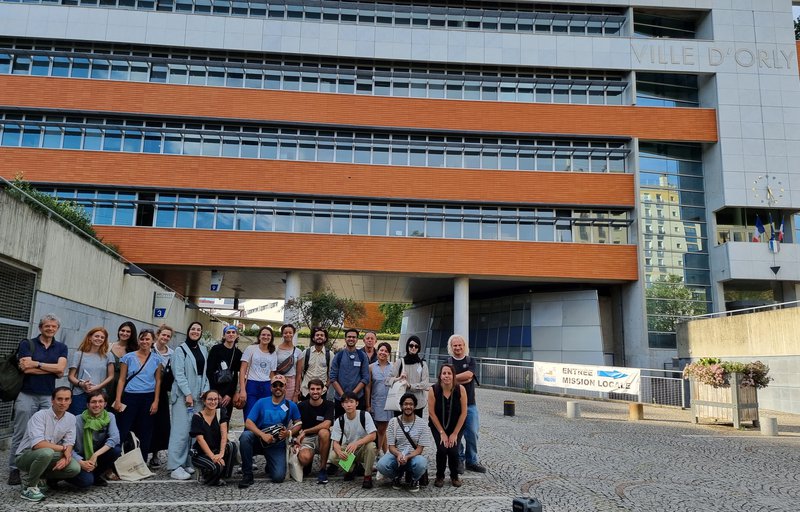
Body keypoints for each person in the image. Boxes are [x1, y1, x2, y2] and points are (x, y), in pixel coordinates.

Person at [7, 314, 69, 486]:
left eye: (53, 326)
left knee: (47, 435)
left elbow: (61, 370)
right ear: (41, 328)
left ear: (57, 328)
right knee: (20, 432)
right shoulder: (27, 344)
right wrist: (52, 369)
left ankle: (42, 469)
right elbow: (25, 369)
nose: (50, 329)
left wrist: (38, 364)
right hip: (26, 394)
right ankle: (14, 468)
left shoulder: (61, 347)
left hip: (48, 397)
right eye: (47, 326)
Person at [14, 387, 82, 502]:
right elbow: (38, 444)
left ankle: (40, 477)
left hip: (48, 455)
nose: (63, 402)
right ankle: (29, 487)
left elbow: (69, 442)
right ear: (52, 400)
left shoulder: (71, 418)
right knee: (46, 452)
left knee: (74, 468)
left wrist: (67, 456)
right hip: (25, 456)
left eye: (66, 399)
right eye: (59, 399)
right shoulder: (40, 416)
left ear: (70, 401)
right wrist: (64, 448)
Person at [237, 374, 301, 488]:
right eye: (275, 385)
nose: (278, 388)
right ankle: (247, 474)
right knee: (245, 436)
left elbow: (299, 423)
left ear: (285, 387)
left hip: (276, 444)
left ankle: (270, 464)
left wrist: (288, 433)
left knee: (278, 477)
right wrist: (262, 435)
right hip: (260, 440)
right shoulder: (261, 402)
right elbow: (249, 422)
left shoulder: (291, 405)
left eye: (281, 385)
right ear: (270, 387)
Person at [113, 329, 162, 468]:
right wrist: (118, 399)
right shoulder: (128, 357)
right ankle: (116, 461)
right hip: (130, 396)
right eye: (142, 339)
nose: (144, 342)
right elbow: (122, 380)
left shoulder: (157, 359)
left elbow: (158, 380)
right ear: (138, 340)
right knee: (123, 428)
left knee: (145, 431)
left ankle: (142, 462)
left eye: (148, 339)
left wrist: (156, 400)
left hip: (148, 397)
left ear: (152, 341)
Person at [167, 321, 210, 480]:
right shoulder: (180, 350)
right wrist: (187, 393)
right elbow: (178, 374)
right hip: (183, 396)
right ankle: (175, 466)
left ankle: (187, 462)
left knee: (194, 431)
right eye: (193, 329)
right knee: (180, 431)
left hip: (199, 394)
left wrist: (205, 389)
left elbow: (205, 373)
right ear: (188, 331)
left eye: (199, 329)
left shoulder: (203, 350)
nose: (196, 331)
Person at [376, 392, 432, 492]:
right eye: (405, 404)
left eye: (411, 404)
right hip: (396, 455)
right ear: (401, 406)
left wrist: (407, 457)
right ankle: (397, 476)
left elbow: (419, 449)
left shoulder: (422, 424)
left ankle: (415, 479)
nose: (408, 407)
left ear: (414, 407)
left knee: (422, 463)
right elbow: (391, 446)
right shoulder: (393, 422)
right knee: (381, 465)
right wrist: (398, 455)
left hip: (413, 455)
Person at [447, 334, 485, 474]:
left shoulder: (470, 360)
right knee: (456, 434)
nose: (457, 347)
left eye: (459, 345)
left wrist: (453, 379)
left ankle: (472, 461)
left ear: (464, 346)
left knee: (473, 433)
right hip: (453, 406)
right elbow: (445, 380)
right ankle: (459, 460)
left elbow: (469, 376)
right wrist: (457, 379)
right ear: (451, 347)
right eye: (454, 345)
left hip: (470, 404)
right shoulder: (448, 362)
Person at [70, 390, 121, 487]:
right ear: (88, 404)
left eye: (100, 401)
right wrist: (80, 461)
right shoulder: (76, 420)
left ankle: (95, 475)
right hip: (79, 457)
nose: (97, 405)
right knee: (86, 482)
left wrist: (95, 455)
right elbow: (67, 446)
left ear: (105, 404)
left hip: (96, 455)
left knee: (116, 450)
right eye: (93, 402)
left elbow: (115, 438)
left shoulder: (110, 417)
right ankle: (60, 477)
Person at [427, 364, 467, 487]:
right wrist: (442, 433)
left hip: (456, 426)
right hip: (438, 426)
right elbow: (432, 413)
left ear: (453, 376)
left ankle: (454, 475)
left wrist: (455, 433)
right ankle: (440, 475)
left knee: (454, 449)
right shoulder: (433, 390)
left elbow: (464, 413)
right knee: (442, 448)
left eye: (449, 373)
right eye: (444, 373)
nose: (446, 376)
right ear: (440, 375)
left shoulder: (461, 390)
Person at [329, 391, 377, 489]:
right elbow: (335, 442)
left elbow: (373, 436)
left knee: (371, 446)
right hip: (349, 449)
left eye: (351, 401)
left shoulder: (364, 415)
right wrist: (339, 451)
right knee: (333, 456)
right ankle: (353, 468)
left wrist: (357, 443)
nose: (349, 405)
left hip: (362, 447)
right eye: (346, 402)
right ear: (342, 405)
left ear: (357, 403)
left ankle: (367, 476)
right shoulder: (340, 420)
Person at [190, 390, 235, 486]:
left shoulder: (221, 413)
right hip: (201, 453)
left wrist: (221, 454)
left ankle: (222, 475)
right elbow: (200, 440)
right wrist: (213, 457)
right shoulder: (197, 417)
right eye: (210, 399)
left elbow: (224, 435)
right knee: (216, 467)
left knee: (232, 446)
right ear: (204, 401)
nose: (213, 402)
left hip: (216, 451)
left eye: (215, 399)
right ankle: (208, 475)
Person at [67, 327, 115, 416]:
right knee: (78, 421)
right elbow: (71, 376)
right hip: (79, 394)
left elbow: (111, 376)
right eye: (96, 336)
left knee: (96, 423)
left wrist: (98, 387)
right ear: (90, 337)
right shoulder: (78, 354)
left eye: (102, 337)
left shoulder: (108, 355)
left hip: (99, 395)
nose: (99, 339)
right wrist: (82, 384)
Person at [294, 378, 334, 484]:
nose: (315, 391)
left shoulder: (329, 404)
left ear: (323, 390)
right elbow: (296, 424)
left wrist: (306, 431)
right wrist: (295, 440)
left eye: (318, 389)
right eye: (312, 389)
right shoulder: (301, 405)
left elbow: (327, 424)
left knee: (324, 432)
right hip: (306, 440)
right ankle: (308, 461)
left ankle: (322, 469)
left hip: (321, 439)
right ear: (308, 390)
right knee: (304, 459)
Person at [238, 325, 277, 421]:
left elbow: (272, 374)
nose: (265, 337)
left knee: (264, 415)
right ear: (259, 336)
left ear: (271, 338)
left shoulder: (273, 352)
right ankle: (248, 435)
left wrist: (274, 389)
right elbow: (242, 369)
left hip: (266, 385)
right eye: (263, 334)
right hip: (252, 384)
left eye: (268, 335)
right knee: (249, 415)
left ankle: (261, 435)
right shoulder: (251, 349)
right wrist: (242, 390)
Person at [148, 324, 174, 469]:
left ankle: (155, 454)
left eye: (168, 336)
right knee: (145, 422)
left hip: (162, 391)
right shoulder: (150, 349)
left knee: (160, 424)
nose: (165, 338)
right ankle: (140, 453)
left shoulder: (172, 353)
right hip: (147, 389)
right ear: (158, 335)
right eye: (163, 335)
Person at [329, 328, 370, 417]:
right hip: (340, 398)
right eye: (349, 337)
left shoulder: (362, 356)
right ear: (345, 339)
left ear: (357, 339)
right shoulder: (338, 356)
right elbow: (332, 377)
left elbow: (365, 378)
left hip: (358, 398)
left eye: (353, 337)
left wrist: (352, 395)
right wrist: (343, 396)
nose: (351, 339)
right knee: (340, 424)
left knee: (358, 425)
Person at [206, 325, 243, 421]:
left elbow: (236, 375)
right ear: (223, 336)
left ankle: (224, 436)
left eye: (233, 332)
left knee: (225, 420)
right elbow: (209, 371)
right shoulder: (216, 349)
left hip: (228, 391)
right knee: (212, 420)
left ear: (237, 335)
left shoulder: (238, 353)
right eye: (228, 332)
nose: (231, 334)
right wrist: (215, 393)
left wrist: (230, 394)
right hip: (215, 389)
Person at [389, 336, 430, 418]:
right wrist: (399, 379)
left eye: (416, 346)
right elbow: (388, 380)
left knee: (416, 429)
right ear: (407, 346)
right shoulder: (400, 362)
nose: (413, 348)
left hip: (418, 404)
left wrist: (410, 386)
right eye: (411, 345)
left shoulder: (422, 364)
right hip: (401, 402)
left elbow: (425, 384)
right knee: (400, 428)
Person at [367, 342, 394, 455]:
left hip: (388, 403)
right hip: (375, 401)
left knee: (382, 429)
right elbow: (368, 387)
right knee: (379, 430)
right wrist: (368, 404)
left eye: (386, 351)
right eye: (381, 350)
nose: (383, 353)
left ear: (389, 353)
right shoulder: (371, 367)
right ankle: (384, 453)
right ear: (377, 351)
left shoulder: (393, 367)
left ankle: (377, 454)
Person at [107, 321, 137, 419]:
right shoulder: (109, 346)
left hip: (125, 386)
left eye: (128, 331)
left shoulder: (135, 350)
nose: (124, 333)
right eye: (122, 330)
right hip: (108, 383)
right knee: (105, 409)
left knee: (120, 413)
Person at [297, 326, 331, 401]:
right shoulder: (306, 353)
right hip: (306, 391)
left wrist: (326, 386)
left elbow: (331, 373)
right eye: (317, 335)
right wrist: (300, 387)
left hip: (321, 392)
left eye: (322, 335)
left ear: (325, 338)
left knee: (320, 412)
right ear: (313, 338)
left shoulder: (330, 354)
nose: (319, 337)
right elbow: (300, 372)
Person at [275, 323, 302, 402]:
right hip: (278, 382)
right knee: (277, 404)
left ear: (293, 334)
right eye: (285, 333)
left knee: (289, 406)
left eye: (290, 333)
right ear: (282, 334)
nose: (288, 335)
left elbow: (299, 373)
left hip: (291, 383)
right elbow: (272, 369)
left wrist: (296, 392)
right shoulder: (276, 349)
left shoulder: (298, 352)